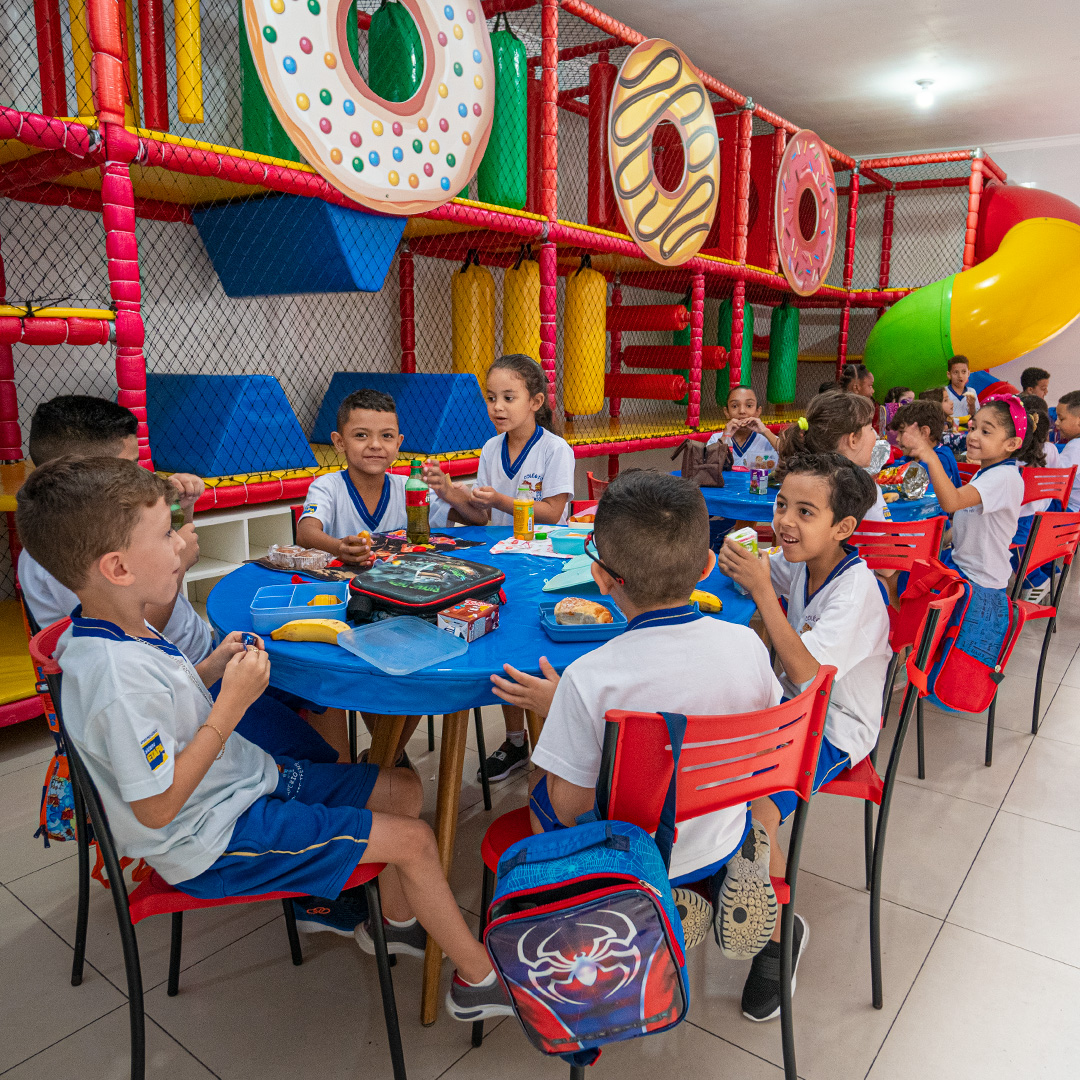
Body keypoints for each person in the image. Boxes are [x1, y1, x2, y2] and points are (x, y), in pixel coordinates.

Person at [15, 456, 511, 1024]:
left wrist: (212, 668)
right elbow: (155, 808)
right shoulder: (112, 678)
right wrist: (230, 705)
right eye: (166, 534)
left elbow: (168, 702)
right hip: (212, 837)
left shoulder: (119, 622)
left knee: (400, 785)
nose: (182, 545)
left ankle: (393, 924)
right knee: (415, 839)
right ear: (118, 567)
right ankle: (479, 981)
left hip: (242, 784)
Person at [488, 470, 784, 968]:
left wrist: (560, 709)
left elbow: (570, 804)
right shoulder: (748, 644)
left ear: (601, 579)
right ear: (708, 566)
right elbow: (763, 738)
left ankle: (618, 899)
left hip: (636, 849)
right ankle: (707, 878)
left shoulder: (589, 677)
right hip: (722, 825)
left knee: (543, 798)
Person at [716, 453, 890, 1022]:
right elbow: (756, 570)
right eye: (782, 504)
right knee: (698, 761)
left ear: (843, 529)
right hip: (785, 713)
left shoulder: (856, 590)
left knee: (759, 810)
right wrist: (733, 559)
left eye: (805, 512)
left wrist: (764, 592)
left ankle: (778, 938)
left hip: (834, 727)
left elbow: (810, 676)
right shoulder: (802, 562)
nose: (785, 521)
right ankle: (715, 875)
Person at [425, 354, 576, 784]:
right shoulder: (492, 448)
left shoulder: (554, 449)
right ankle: (515, 741)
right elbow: (479, 518)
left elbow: (551, 512)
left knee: (534, 651)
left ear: (536, 401)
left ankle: (556, 746)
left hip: (544, 563)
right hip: (497, 562)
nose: (498, 407)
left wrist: (500, 503)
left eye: (509, 397)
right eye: (491, 398)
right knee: (502, 650)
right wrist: (451, 493)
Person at [298, 388, 445, 766]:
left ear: (400, 442)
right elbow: (307, 532)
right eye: (361, 435)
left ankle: (384, 757)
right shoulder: (328, 486)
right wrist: (338, 547)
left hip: (403, 607)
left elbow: (456, 528)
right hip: (350, 607)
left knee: (416, 672)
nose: (375, 445)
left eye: (386, 436)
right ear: (339, 442)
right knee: (368, 674)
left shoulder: (409, 488)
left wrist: (459, 496)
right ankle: (387, 760)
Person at [901, 396, 1040, 590]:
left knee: (902, 580)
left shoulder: (1003, 478)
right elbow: (967, 521)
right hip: (963, 567)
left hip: (978, 581)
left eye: (985, 432)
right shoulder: (986, 473)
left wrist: (930, 456)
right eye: (973, 428)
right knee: (906, 571)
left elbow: (952, 502)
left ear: (1011, 444)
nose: (973, 436)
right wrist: (939, 540)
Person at [777, 391, 892, 521]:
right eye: (871, 428)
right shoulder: (863, 491)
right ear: (853, 439)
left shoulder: (791, 484)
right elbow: (882, 540)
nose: (876, 436)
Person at [888, 399, 961, 486]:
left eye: (902, 432)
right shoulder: (912, 456)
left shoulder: (939, 460)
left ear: (924, 432)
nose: (897, 439)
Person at [706, 384, 780, 469]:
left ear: (757, 411)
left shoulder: (768, 440)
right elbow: (708, 466)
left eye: (749, 406)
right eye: (734, 406)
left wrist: (765, 431)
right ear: (726, 412)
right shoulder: (716, 438)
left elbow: (790, 454)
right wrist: (725, 436)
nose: (742, 411)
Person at [919, 387, 966, 456]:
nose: (951, 402)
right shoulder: (936, 431)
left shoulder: (946, 424)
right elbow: (958, 440)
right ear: (934, 406)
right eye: (945, 400)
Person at [1054, 390, 1080, 511]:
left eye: (1061, 418)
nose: (1056, 423)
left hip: (1068, 511)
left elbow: (1055, 482)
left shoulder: (1076, 446)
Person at [945, 355, 979, 424]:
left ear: (968, 373)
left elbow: (975, 417)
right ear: (949, 375)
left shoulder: (971, 392)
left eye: (964, 372)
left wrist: (972, 406)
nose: (960, 376)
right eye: (956, 372)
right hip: (950, 430)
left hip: (967, 430)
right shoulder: (944, 392)